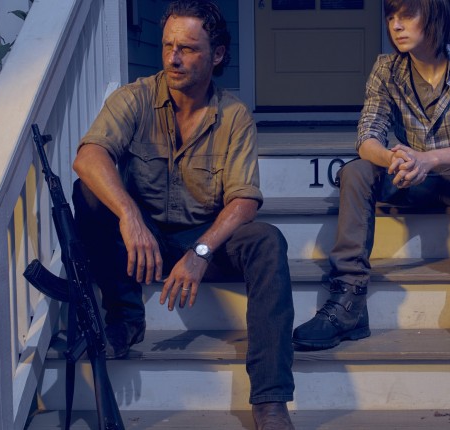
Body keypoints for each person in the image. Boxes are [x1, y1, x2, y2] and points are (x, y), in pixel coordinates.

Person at [71, 1, 295, 428]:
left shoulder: (233, 116)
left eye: (188, 49)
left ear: (217, 55)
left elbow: (244, 201)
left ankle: (270, 399)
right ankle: (124, 318)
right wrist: (129, 216)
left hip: (204, 234)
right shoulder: (134, 98)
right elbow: (88, 157)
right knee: (89, 194)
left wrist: (201, 251)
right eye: (168, 46)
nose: (173, 58)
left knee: (268, 240)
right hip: (144, 241)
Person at [293, 0, 450, 352]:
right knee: (356, 170)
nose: (395, 25)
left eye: (407, 15)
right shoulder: (387, 68)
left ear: (434, 14)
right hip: (407, 179)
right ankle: (348, 300)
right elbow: (367, 137)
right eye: (391, 16)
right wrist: (395, 158)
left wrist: (429, 159)